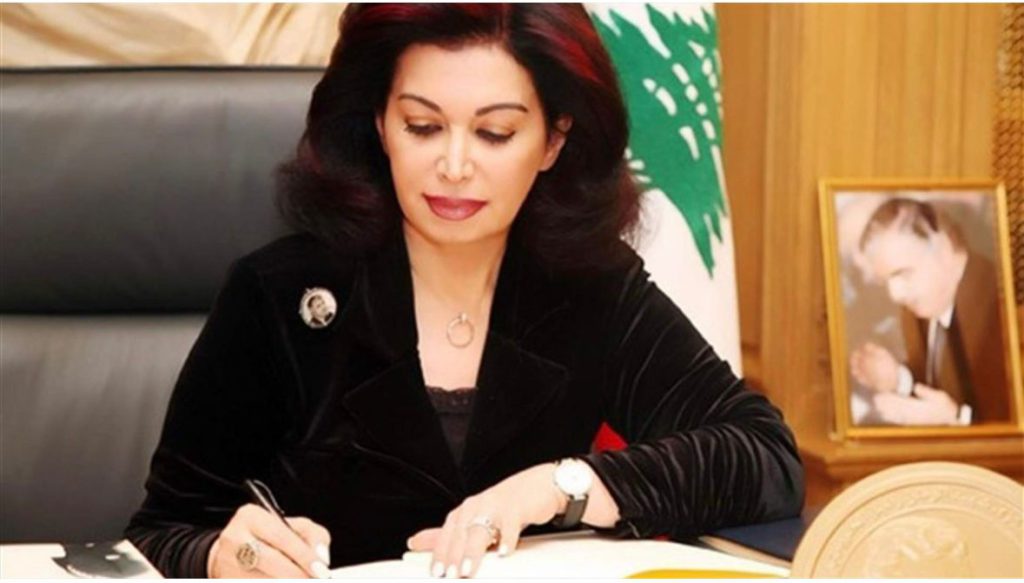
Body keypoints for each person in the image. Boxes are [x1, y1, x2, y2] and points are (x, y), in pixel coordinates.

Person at [126, 4, 804, 579]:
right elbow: (159, 534)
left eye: (494, 133)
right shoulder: (281, 294)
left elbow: (765, 456)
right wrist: (221, 554)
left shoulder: (591, 287)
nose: (454, 166)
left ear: (552, 140)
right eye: (422, 126)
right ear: (380, 124)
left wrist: (559, 486)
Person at [849, 198, 1010, 426]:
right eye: (886, 282)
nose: (895, 294)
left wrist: (956, 419)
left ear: (943, 250)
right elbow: (943, 387)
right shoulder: (920, 308)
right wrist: (898, 379)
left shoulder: (1003, 310)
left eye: (903, 273)